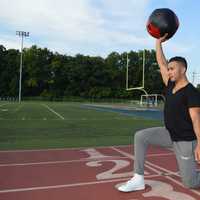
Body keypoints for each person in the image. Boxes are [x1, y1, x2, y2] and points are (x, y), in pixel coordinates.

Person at [118, 34, 200, 192]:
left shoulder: (191, 92)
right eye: (168, 69)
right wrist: (158, 42)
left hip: (185, 141)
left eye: (172, 69)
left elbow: (196, 119)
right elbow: (161, 62)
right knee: (140, 136)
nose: (168, 72)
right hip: (169, 134)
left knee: (190, 183)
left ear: (183, 69)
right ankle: (138, 178)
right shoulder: (170, 85)